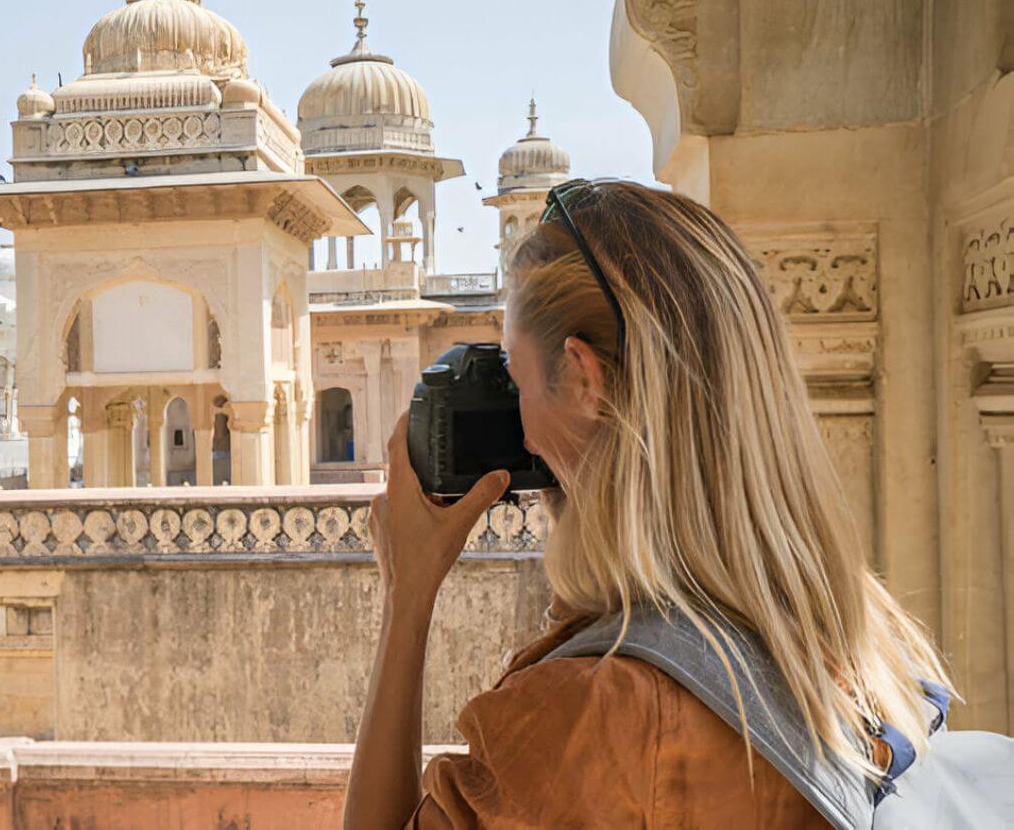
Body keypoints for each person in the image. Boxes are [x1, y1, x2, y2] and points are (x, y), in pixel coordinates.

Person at [343, 179, 951, 828]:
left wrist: (407, 593)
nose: (520, 433)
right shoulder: (857, 635)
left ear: (582, 376)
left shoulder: (585, 716)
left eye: (516, 380)